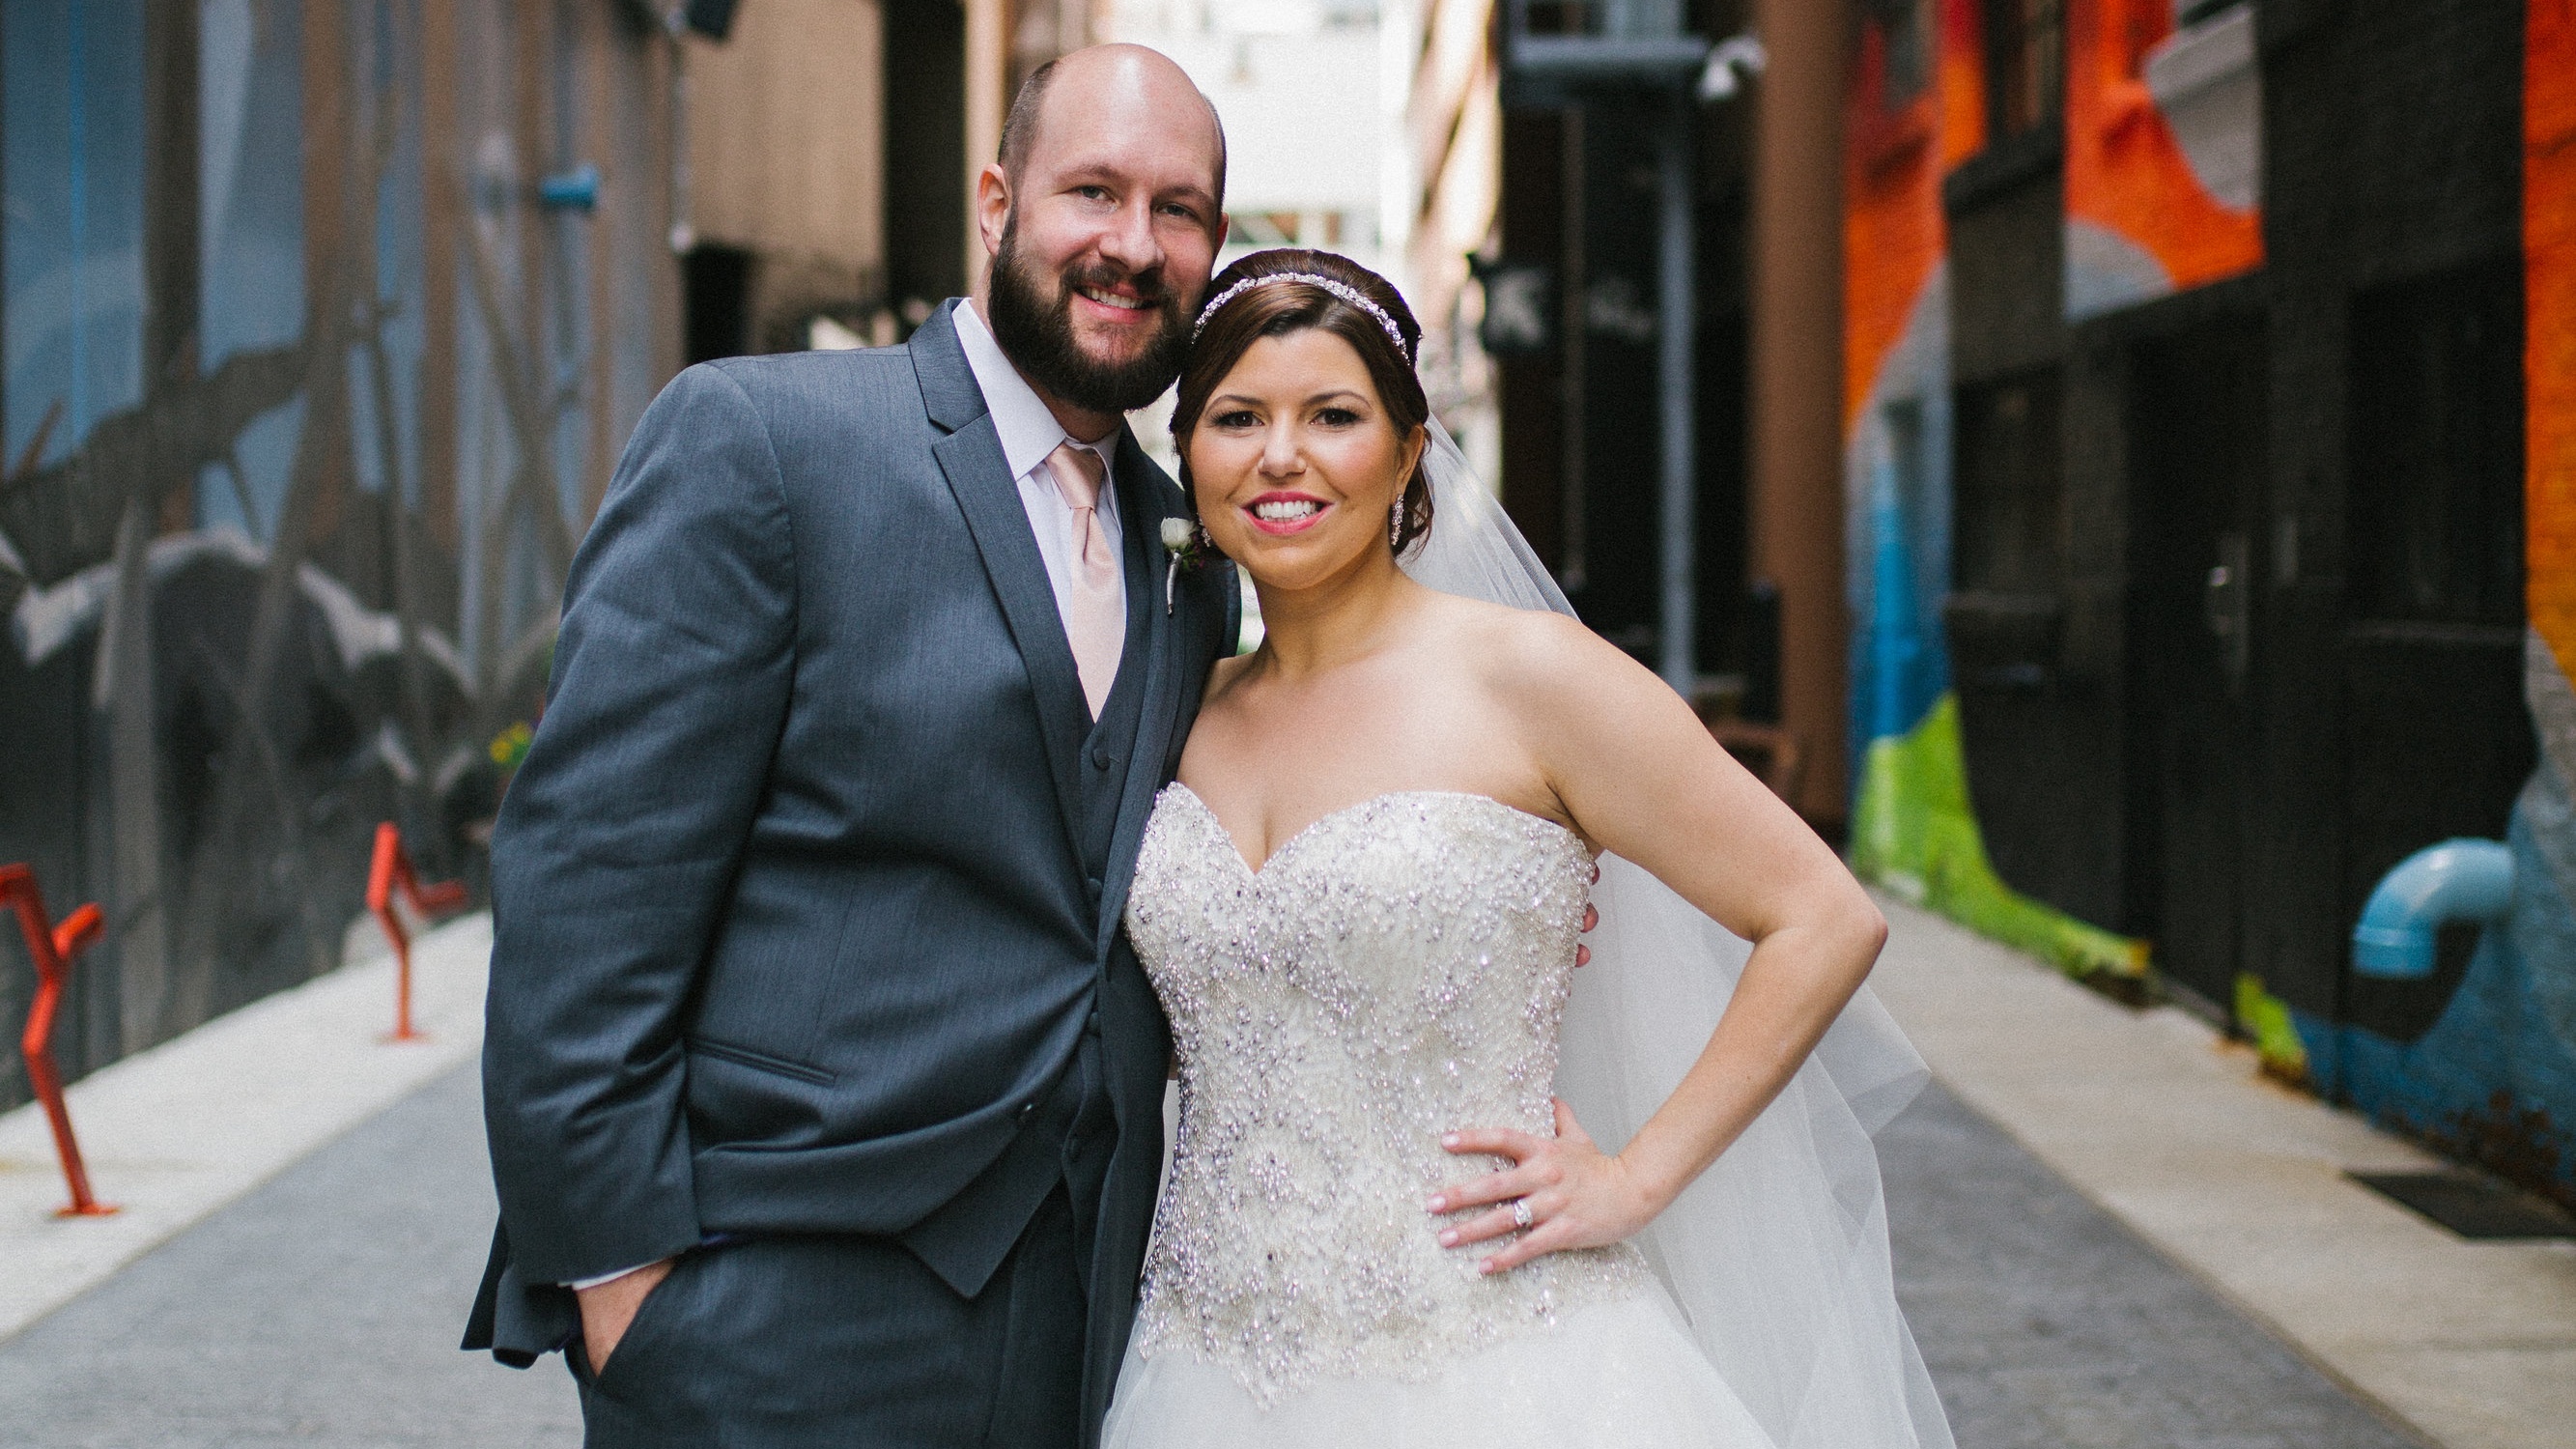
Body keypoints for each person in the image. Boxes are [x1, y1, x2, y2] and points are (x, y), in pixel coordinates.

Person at [465, 45, 1242, 1447]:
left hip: (1080, 1321)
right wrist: (623, 1290)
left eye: (1176, 209)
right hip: (768, 1308)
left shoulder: (1195, 555)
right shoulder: (763, 442)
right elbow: (584, 888)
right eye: (1093, 192)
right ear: (998, 203)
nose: (1132, 246)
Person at [1097, 249, 1957, 1448]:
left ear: (1406, 453)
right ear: (1189, 453)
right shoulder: (1179, 706)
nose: (1280, 456)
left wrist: (1638, 1177)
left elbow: (1821, 915)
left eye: (1333, 416)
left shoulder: (1530, 677)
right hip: (1204, 1361)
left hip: (1499, 1359)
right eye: (1238, 418)